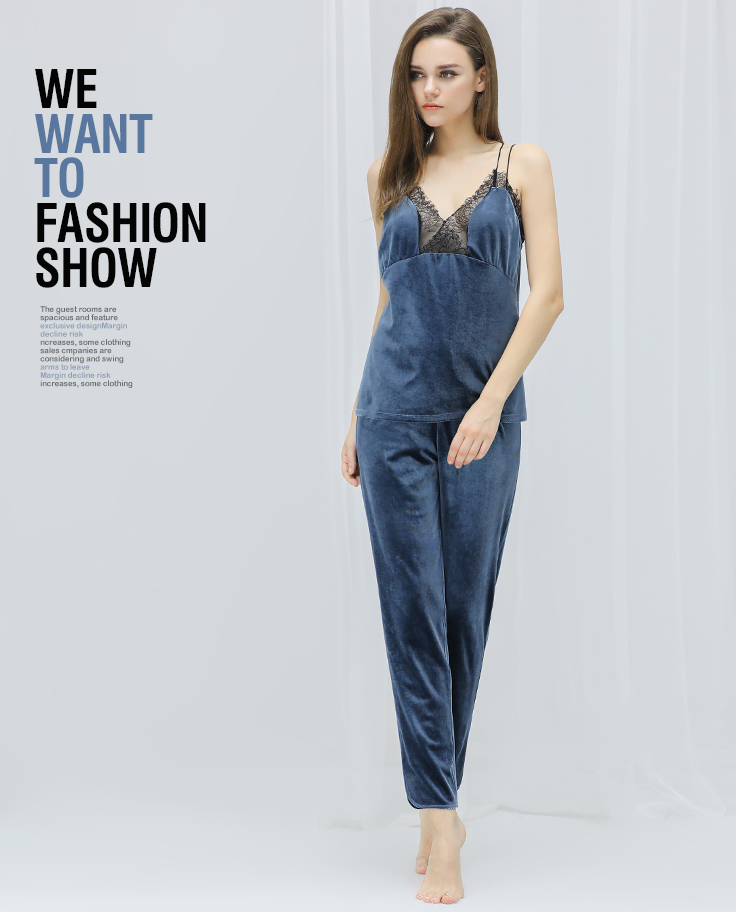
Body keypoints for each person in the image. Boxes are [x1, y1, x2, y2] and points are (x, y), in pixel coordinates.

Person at [340, 7, 563, 904]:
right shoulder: (386, 176)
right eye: (415, 75)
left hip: (483, 422)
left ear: (480, 78)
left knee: (462, 614)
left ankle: (441, 806)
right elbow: (389, 302)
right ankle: (440, 820)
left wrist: (491, 402)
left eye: (444, 73)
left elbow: (547, 297)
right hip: (392, 415)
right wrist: (356, 414)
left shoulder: (521, 167)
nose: (428, 90)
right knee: (411, 618)